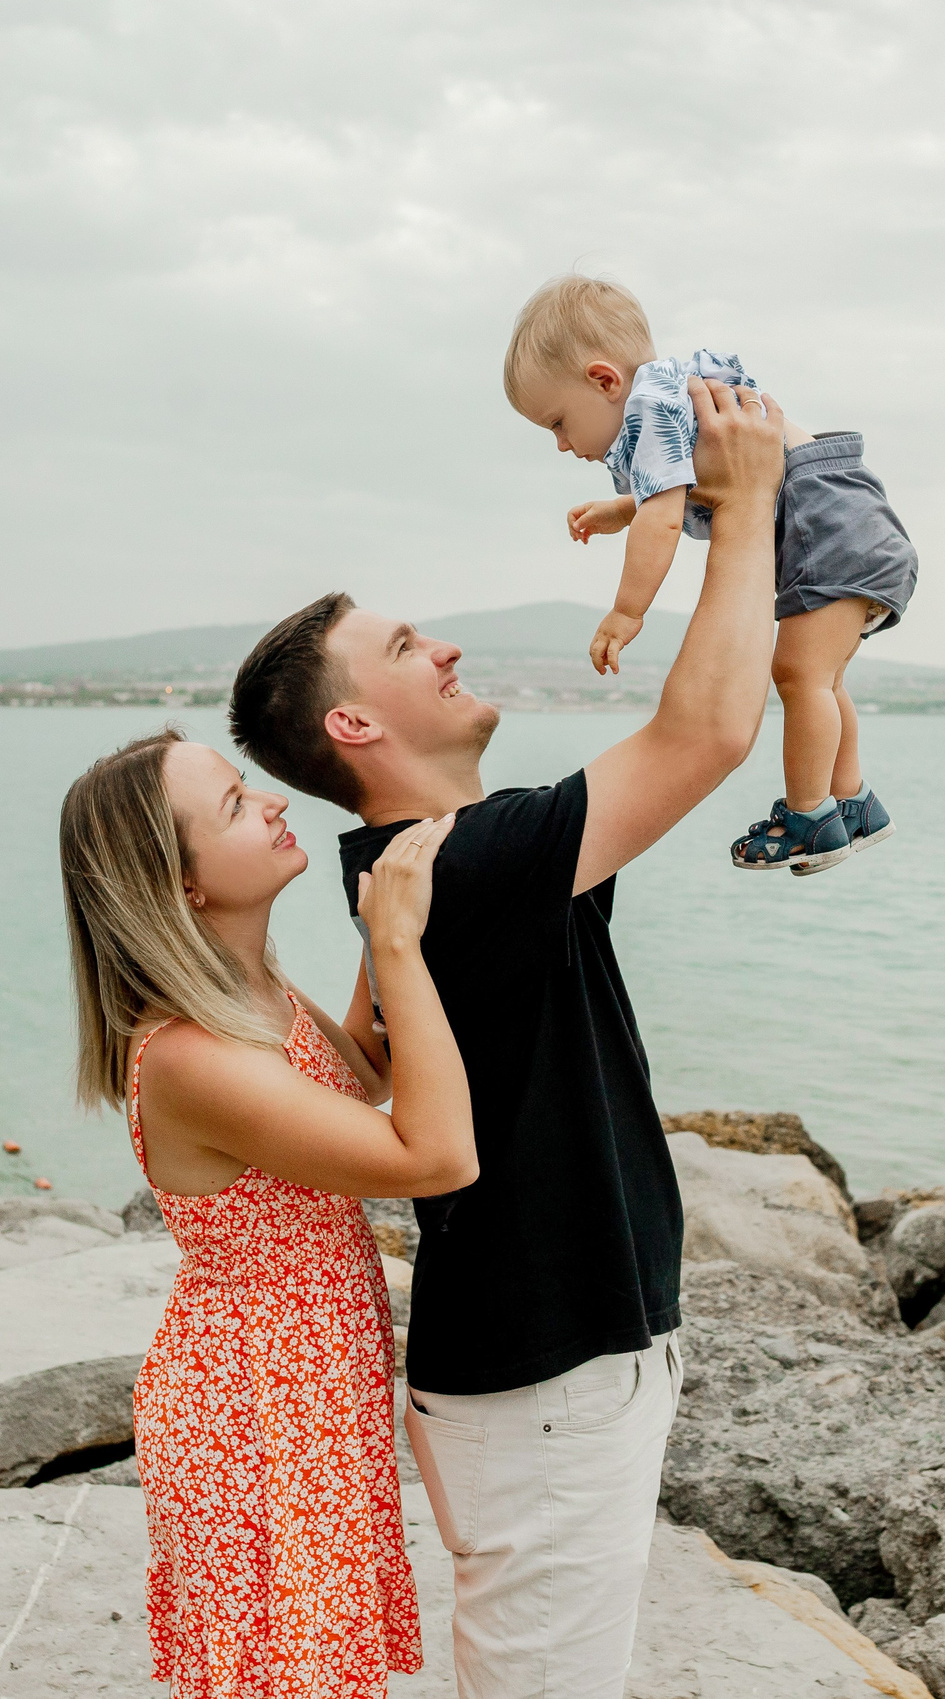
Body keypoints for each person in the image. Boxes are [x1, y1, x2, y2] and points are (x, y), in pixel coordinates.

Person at [224, 377, 789, 1698]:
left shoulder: (420, 868)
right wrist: (748, 499)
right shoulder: (465, 859)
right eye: (410, 644)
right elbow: (705, 730)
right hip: (549, 1378)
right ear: (354, 724)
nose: (449, 651)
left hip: (556, 1362)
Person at [59, 726, 470, 1698]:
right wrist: (401, 947)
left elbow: (363, 1074)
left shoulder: (252, 993)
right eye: (237, 806)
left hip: (309, 1392)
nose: (276, 803)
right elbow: (436, 1156)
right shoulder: (195, 1055)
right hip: (257, 1415)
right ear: (183, 885)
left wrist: (385, 910)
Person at [504, 272, 918, 875]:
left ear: (603, 380)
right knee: (819, 681)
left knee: (800, 676)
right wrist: (623, 508)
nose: (563, 445)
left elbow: (664, 520)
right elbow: (682, 486)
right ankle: (854, 804)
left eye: (558, 422)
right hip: (848, 519)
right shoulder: (673, 395)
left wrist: (627, 611)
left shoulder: (650, 405)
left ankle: (810, 817)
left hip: (827, 521)